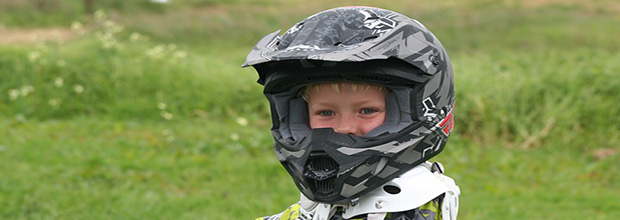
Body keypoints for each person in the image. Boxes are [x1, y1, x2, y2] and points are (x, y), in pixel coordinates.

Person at [243, 6, 460, 220]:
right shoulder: (328, 207)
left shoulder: (405, 208)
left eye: (367, 111)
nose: (344, 127)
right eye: (326, 112)